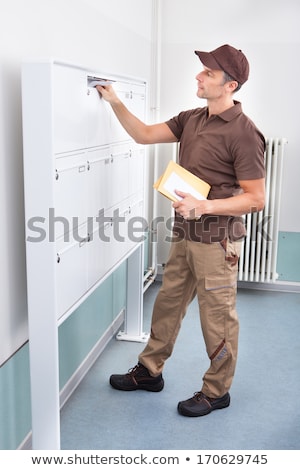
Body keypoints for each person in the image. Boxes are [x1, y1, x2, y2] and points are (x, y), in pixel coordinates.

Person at [96, 44, 265, 417]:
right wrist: (115, 101)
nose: (198, 76)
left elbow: (255, 199)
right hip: (185, 235)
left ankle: (217, 391)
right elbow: (142, 134)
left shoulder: (245, 133)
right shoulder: (192, 118)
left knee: (217, 318)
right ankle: (150, 371)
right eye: (201, 70)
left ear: (230, 84)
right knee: (168, 303)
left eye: (208, 73)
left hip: (217, 242)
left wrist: (204, 206)